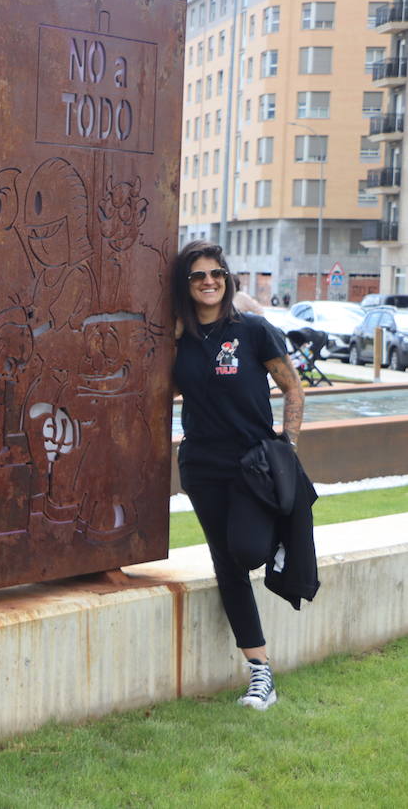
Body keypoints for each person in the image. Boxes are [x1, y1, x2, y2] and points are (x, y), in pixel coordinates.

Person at [171, 240, 305, 711]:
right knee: (227, 564)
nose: (209, 282)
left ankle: (281, 541)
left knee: (247, 551)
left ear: (227, 279)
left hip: (253, 463)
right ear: (185, 285)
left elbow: (292, 388)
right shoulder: (178, 340)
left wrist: (285, 448)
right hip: (202, 465)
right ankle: (260, 672)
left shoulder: (252, 331)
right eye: (198, 276)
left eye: (217, 274)